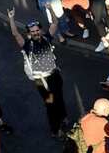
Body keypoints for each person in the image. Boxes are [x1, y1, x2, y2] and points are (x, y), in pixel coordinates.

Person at [6, 8, 66, 137]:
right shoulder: (27, 45)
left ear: (41, 30)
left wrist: (50, 9)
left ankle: (63, 117)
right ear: (29, 33)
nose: (35, 33)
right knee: (50, 105)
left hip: (54, 74)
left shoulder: (47, 38)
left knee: (59, 98)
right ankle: (55, 130)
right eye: (33, 32)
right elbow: (15, 33)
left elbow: (55, 24)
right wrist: (11, 18)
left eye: (37, 30)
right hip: (42, 79)